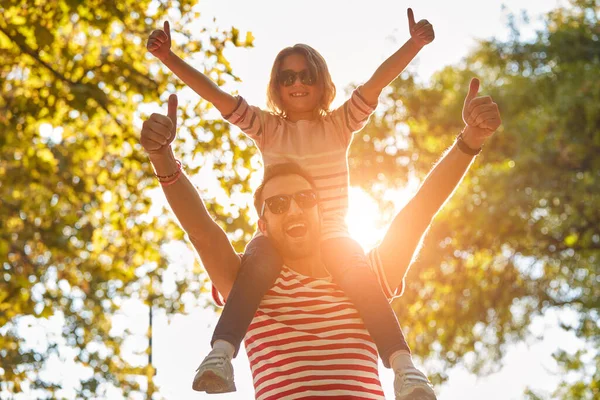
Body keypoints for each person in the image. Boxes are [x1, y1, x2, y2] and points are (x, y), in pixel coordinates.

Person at [139, 77, 502, 399]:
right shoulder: (248, 287)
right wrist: (162, 155)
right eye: (278, 205)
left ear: (320, 212)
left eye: (305, 199)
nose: (294, 209)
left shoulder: (368, 274)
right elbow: (202, 231)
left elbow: (419, 211)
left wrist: (471, 139)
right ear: (262, 226)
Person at [146, 8, 437, 397]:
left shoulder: (339, 124)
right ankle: (221, 353)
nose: (297, 83)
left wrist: (413, 45)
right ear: (277, 86)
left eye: (306, 75)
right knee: (257, 261)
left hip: (331, 233)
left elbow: (376, 84)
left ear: (321, 82)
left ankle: (404, 367)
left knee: (359, 276)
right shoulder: (268, 128)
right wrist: (169, 59)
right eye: (287, 77)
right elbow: (216, 97)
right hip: (279, 239)